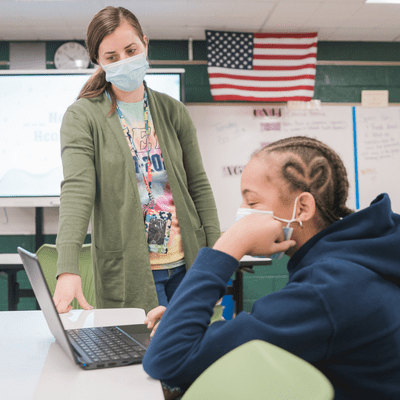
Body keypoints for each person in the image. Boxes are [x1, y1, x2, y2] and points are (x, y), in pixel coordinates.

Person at [143, 136, 400, 400]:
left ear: (302, 208)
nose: (243, 214)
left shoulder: (328, 288)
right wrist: (180, 320)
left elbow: (169, 358)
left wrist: (230, 244)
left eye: (252, 203)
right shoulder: (350, 259)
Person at [53, 6, 220, 314]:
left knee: (188, 354)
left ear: (145, 43)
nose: (124, 62)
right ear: (99, 62)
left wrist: (218, 258)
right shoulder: (82, 116)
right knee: (140, 356)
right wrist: (68, 267)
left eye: (131, 50)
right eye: (112, 57)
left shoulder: (173, 111)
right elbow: (77, 191)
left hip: (190, 263)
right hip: (131, 269)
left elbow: (198, 185)